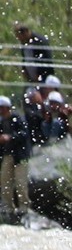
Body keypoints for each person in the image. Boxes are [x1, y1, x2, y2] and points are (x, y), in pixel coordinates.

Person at [0, 95, 33, 224]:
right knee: (5, 182)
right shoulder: (2, 122)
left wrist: (10, 137)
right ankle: (8, 208)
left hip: (21, 156)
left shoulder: (17, 119)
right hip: (8, 155)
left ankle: (24, 208)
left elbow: (24, 134)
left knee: (21, 183)